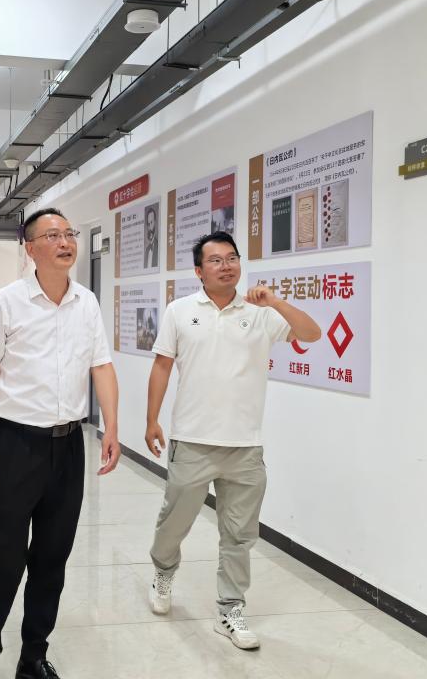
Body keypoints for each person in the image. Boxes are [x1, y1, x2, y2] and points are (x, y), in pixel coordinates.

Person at [144, 231, 321, 650]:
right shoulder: (179, 311)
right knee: (174, 522)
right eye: (216, 260)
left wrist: (275, 302)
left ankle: (230, 608)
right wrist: (152, 420)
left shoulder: (260, 312)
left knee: (239, 534)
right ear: (199, 271)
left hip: (245, 445)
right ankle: (164, 572)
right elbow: (162, 366)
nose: (226, 266)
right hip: (192, 440)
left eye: (232, 258)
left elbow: (311, 334)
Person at [0, 208, 121, 679]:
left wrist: (112, 428)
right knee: (4, 557)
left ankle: (33, 655)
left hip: (68, 447)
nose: (65, 241)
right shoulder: (6, 302)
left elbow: (102, 367)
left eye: (69, 233)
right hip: (16, 444)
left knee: (52, 557)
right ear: (30, 248)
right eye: (53, 235)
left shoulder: (87, 303)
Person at [143, 204, 159, 268]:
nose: (150, 227)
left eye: (151, 222)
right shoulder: (147, 250)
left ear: (155, 222)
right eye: (148, 224)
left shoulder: (159, 246)